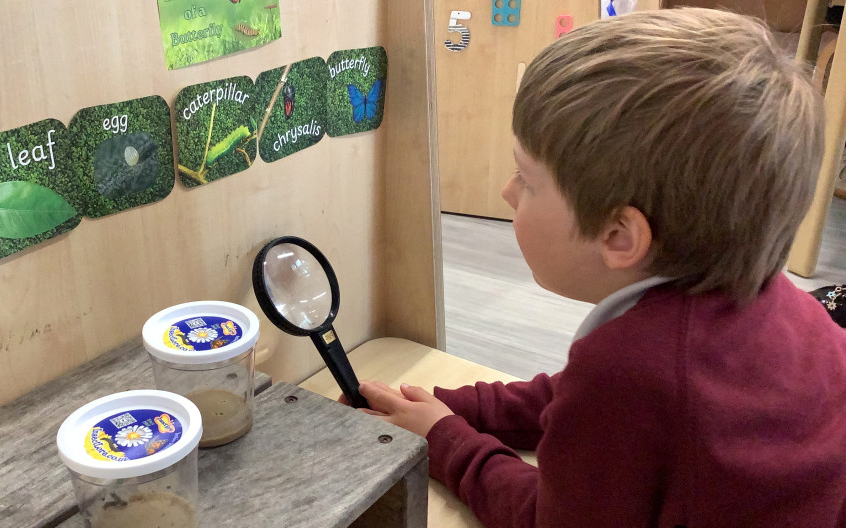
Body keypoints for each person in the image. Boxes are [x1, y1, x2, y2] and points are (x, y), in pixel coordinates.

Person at [348, 8, 846, 527]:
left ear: (618, 237)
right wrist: (451, 406)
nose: (507, 191)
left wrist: (446, 441)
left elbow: (548, 518)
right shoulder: (782, 304)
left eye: (526, 177)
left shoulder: (630, 373)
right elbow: (569, 394)